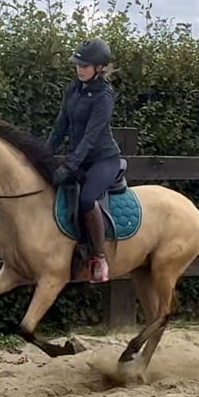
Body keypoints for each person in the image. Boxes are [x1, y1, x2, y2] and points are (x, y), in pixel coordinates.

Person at [47, 37, 122, 283]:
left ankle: (99, 258)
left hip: (103, 160)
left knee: (87, 198)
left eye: (85, 65)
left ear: (99, 67)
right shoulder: (73, 90)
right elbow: (60, 128)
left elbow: (90, 138)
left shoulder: (104, 96)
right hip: (79, 159)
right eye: (78, 64)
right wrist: (42, 157)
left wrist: (69, 165)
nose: (80, 68)